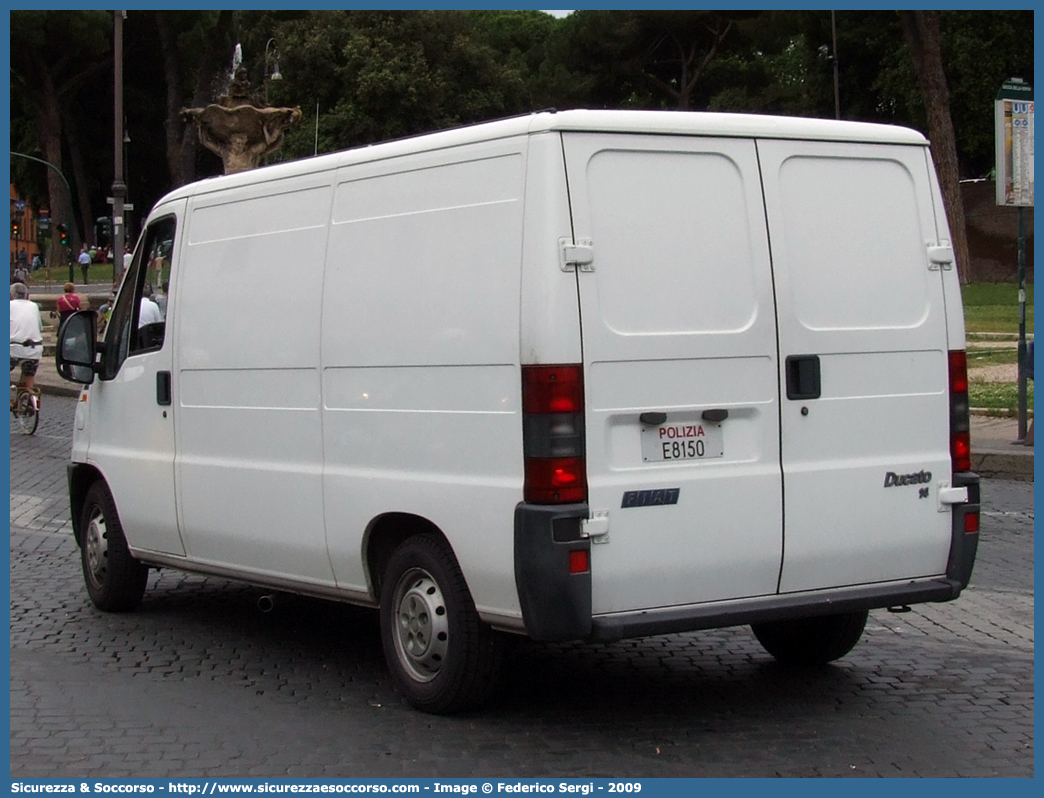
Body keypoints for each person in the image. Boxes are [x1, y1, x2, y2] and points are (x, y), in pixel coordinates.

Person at [10, 282, 44, 395]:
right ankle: (29, 396)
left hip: (14, 348)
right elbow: (40, 327)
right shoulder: (34, 306)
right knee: (29, 374)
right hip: (35, 348)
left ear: (12, 295)